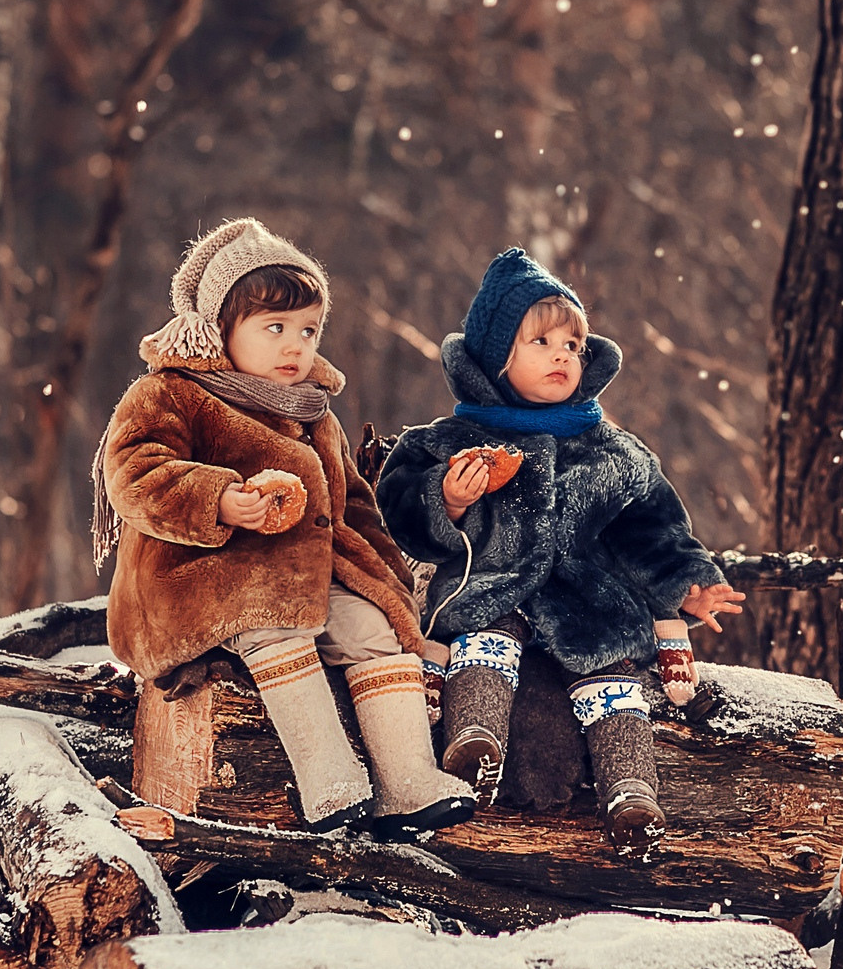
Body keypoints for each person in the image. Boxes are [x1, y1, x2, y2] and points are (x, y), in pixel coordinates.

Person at [93, 219, 475, 840]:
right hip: (196, 581)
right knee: (275, 618)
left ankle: (407, 780)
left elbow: (355, 506)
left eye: (308, 330)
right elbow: (135, 473)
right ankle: (328, 780)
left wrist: (388, 585)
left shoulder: (315, 415)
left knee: (371, 627)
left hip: (305, 581)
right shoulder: (172, 392)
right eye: (274, 329)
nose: (295, 346)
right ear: (221, 328)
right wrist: (218, 500)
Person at [376, 248, 746, 852]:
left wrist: (688, 582)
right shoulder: (450, 440)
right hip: (488, 587)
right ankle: (475, 741)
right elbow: (398, 512)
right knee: (482, 639)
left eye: (573, 346)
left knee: (613, 680)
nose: (562, 356)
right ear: (498, 358)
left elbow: (652, 530)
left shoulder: (612, 452)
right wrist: (445, 500)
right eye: (542, 343)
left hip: (588, 601)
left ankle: (631, 794)